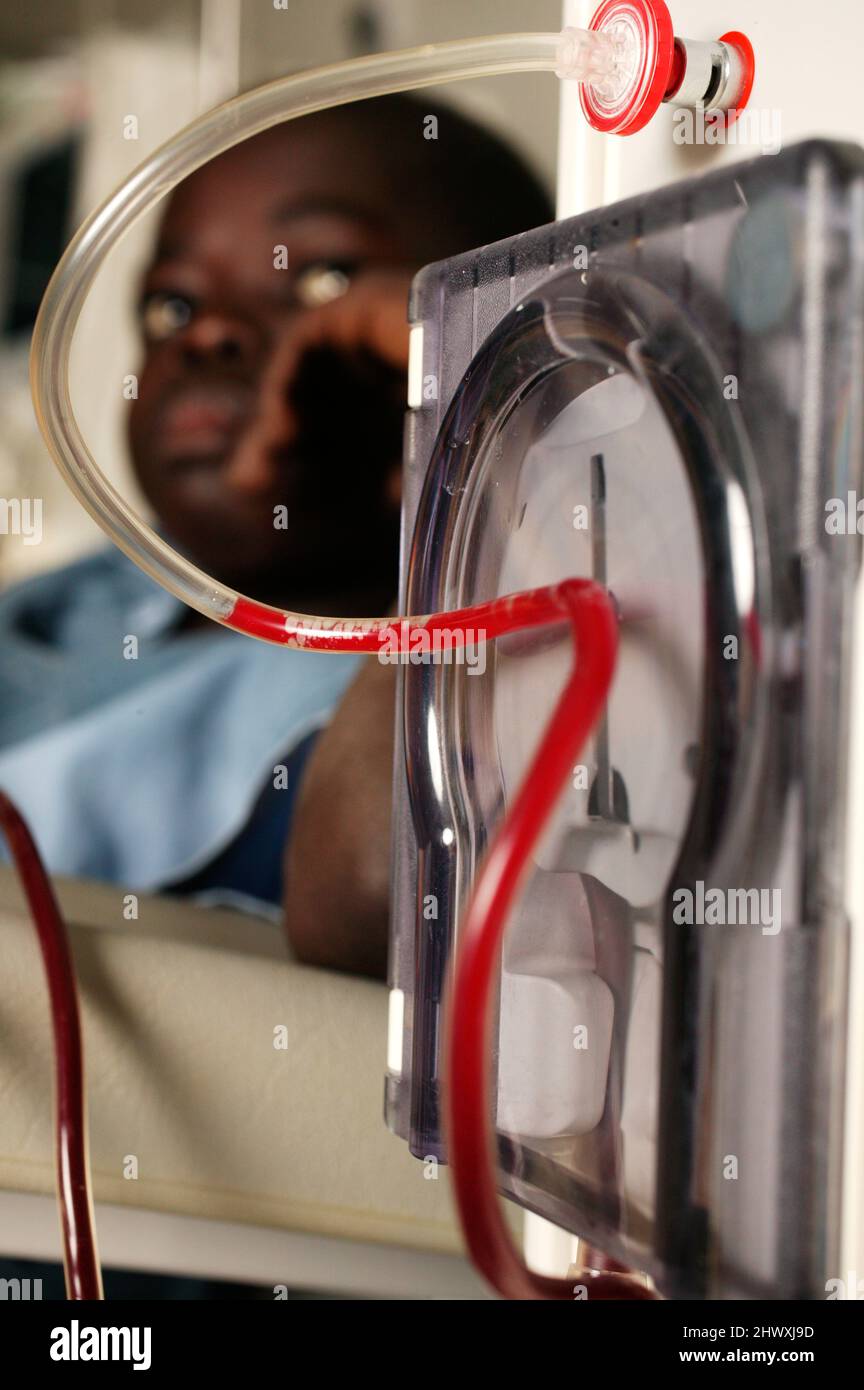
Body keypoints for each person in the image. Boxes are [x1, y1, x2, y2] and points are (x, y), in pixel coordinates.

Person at [0, 94, 553, 972]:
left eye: (323, 280)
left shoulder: (382, 703)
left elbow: (385, 899)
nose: (210, 330)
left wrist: (478, 427)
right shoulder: (106, 593)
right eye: (173, 306)